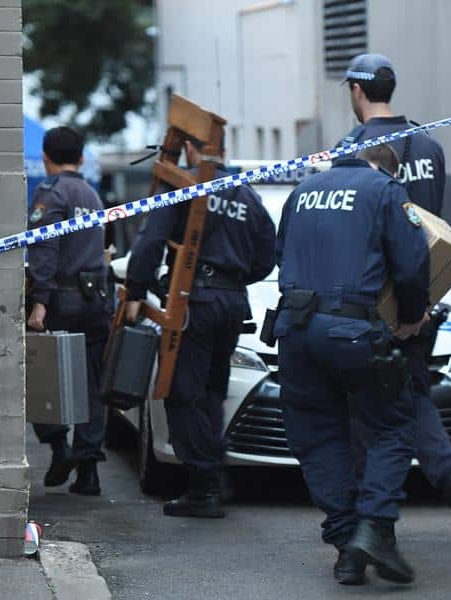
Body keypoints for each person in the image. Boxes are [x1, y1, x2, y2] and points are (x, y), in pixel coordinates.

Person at [340, 52, 451, 543]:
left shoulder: (348, 150)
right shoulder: (430, 144)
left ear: (358, 92)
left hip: (368, 301)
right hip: (420, 297)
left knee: (366, 414)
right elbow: (434, 229)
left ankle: (373, 529)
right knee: (414, 394)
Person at [274, 144, 429, 586]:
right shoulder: (384, 190)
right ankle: (375, 528)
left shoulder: (302, 191)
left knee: (318, 435)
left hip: (296, 332)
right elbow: (413, 263)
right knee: (392, 425)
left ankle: (347, 549)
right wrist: (411, 316)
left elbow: (279, 254)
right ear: (381, 162)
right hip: (354, 330)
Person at [125, 133, 276, 518]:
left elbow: (150, 242)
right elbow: (266, 258)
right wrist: (231, 277)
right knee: (211, 390)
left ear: (191, 147)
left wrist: (137, 291)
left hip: (195, 302)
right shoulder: (246, 194)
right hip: (230, 303)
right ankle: (212, 468)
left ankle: (204, 483)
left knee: (181, 391)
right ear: (223, 148)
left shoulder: (182, 183)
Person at [27, 126, 110, 496]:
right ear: (80, 157)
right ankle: (88, 471)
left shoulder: (51, 192)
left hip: (61, 299)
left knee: (43, 375)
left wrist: (40, 301)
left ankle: (60, 447)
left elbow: (45, 249)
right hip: (95, 301)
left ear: (46, 157)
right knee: (92, 383)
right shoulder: (92, 194)